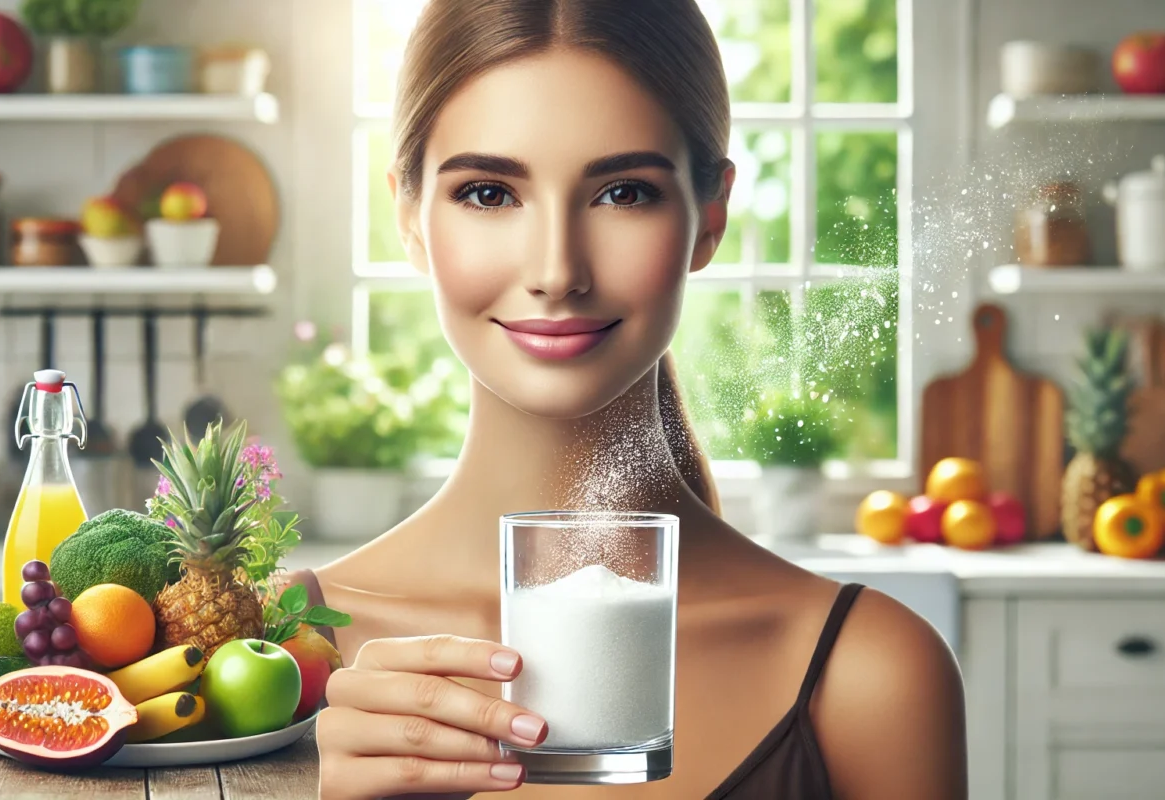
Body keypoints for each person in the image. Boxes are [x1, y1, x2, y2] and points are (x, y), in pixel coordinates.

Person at [292, 1, 967, 797]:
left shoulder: (871, 673)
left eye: (622, 193)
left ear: (709, 215)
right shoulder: (273, 644)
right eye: (487, 193)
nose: (556, 270)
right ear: (408, 216)